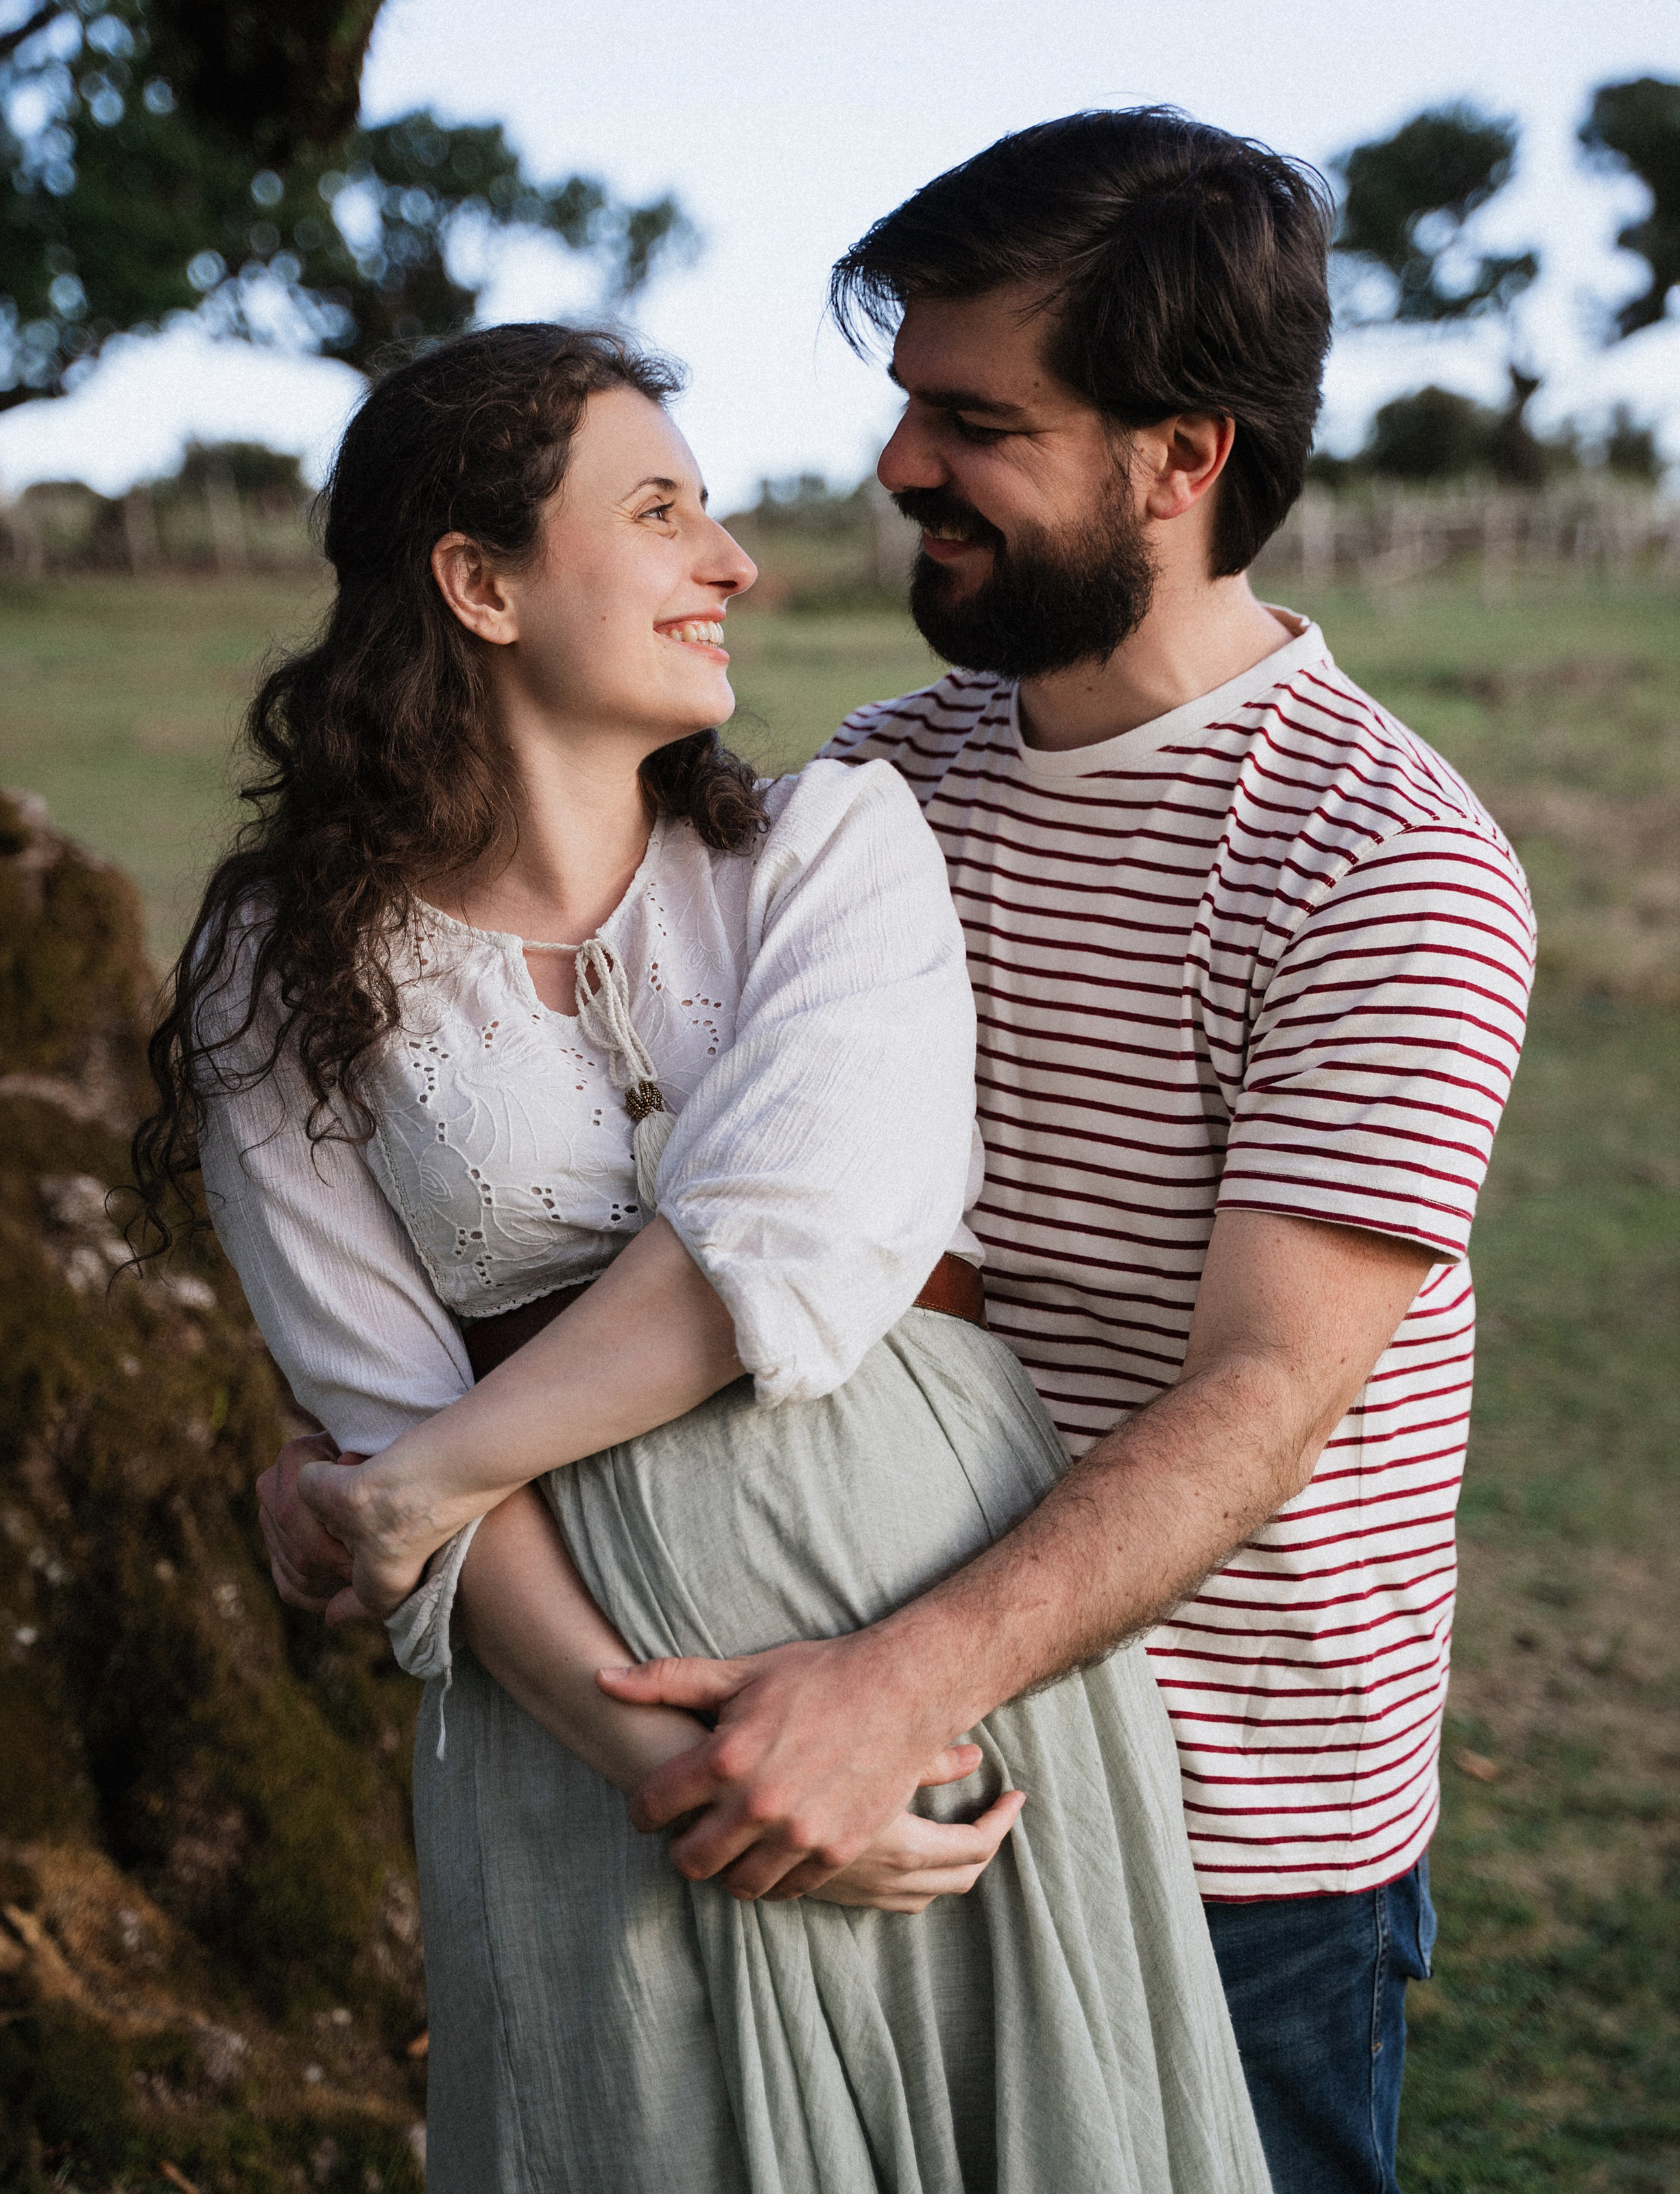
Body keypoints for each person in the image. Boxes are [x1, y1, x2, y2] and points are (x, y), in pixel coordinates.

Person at [141, 322, 1271, 2192]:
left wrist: (411, 1483)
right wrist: (666, 1767)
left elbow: (781, 1240)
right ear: (480, 584)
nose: (731, 563)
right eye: (662, 513)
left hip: (942, 1650)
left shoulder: (836, 846)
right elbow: (370, 1381)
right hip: (581, 1729)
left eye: (713, 514)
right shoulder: (280, 965)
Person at [568, 111, 1537, 2191]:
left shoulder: (1383, 863)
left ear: (1182, 457)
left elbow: (1265, 1392)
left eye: (972, 418)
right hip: (894, 1749)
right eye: (905, 402)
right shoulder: (882, 781)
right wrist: (380, 1443)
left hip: (1228, 1837)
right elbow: (713, 1195)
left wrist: (889, 1687)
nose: (899, 464)